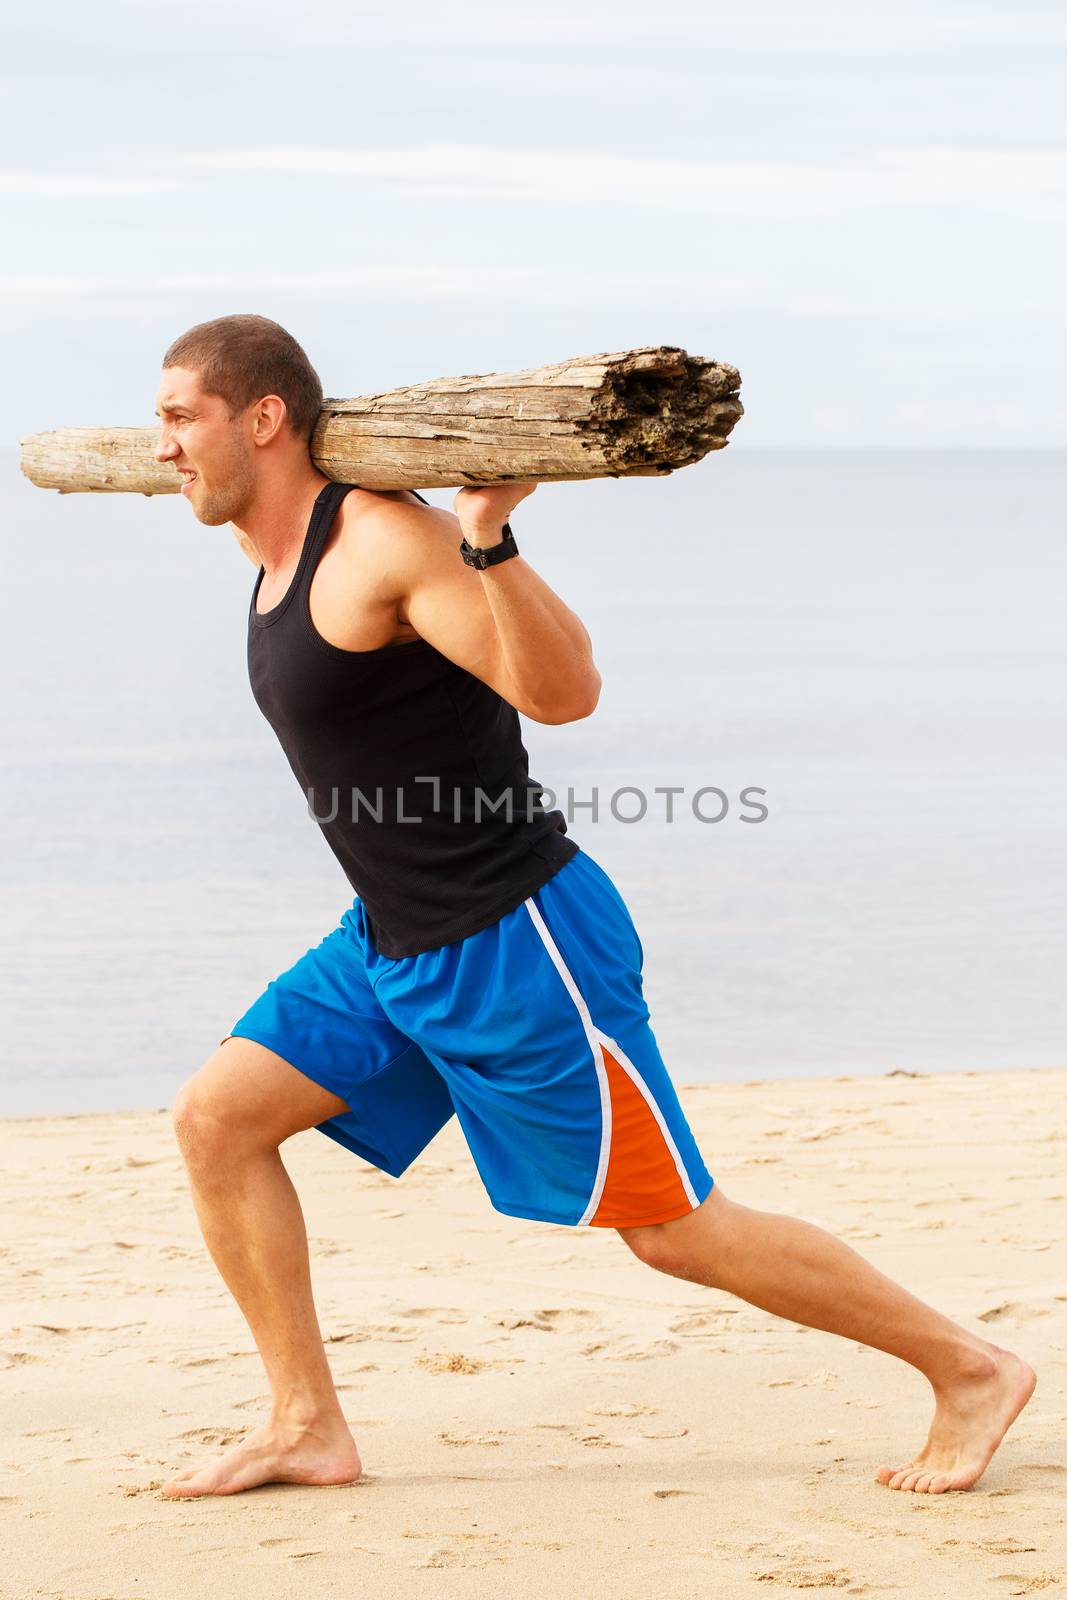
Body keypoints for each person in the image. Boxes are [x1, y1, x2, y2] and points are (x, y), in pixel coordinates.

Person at [154, 314, 1034, 1501]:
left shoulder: (382, 541)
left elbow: (562, 695)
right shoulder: (274, 556)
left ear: (263, 419)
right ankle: (307, 1422)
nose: (158, 446)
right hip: (389, 942)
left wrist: (486, 537)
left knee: (675, 1227)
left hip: (515, 940)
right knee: (219, 1121)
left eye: (177, 417)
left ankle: (968, 1365)